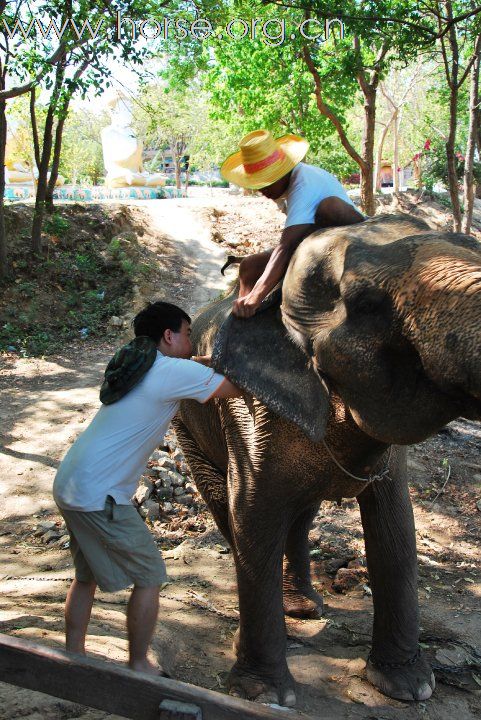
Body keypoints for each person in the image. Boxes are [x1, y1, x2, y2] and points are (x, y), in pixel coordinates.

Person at [53, 301, 241, 675]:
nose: (190, 342)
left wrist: (199, 362)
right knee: (151, 574)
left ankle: (73, 656)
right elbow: (233, 388)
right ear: (168, 336)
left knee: (86, 576)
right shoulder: (172, 371)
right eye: (187, 334)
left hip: (72, 480)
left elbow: (189, 367)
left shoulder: (137, 364)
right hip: (98, 493)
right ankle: (139, 665)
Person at [221, 129, 364, 318]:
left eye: (267, 183)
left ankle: (251, 305)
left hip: (345, 234)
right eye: (259, 184)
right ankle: (242, 314)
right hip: (310, 240)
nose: (263, 190)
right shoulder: (283, 191)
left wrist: (256, 296)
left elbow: (286, 246)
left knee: (328, 208)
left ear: (282, 172)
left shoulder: (303, 183)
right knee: (249, 266)